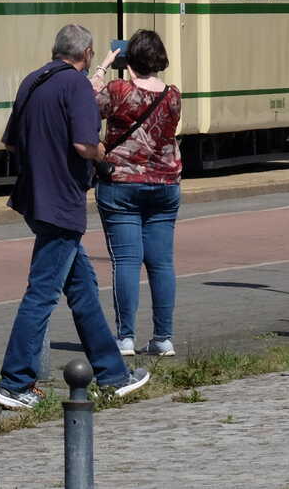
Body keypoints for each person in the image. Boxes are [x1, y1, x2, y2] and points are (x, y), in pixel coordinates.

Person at [0, 24, 150, 410]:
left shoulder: (33, 80)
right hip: (61, 201)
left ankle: (113, 374)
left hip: (33, 195)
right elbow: (83, 143)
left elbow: (10, 140)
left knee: (80, 287)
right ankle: (14, 382)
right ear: (89, 53)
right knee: (42, 293)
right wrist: (102, 156)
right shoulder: (76, 85)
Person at [87, 29, 182, 358]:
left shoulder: (117, 89)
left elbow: (84, 103)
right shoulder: (173, 95)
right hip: (165, 185)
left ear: (129, 60)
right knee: (161, 263)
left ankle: (125, 338)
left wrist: (102, 67)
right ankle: (163, 338)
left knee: (126, 261)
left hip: (122, 185)